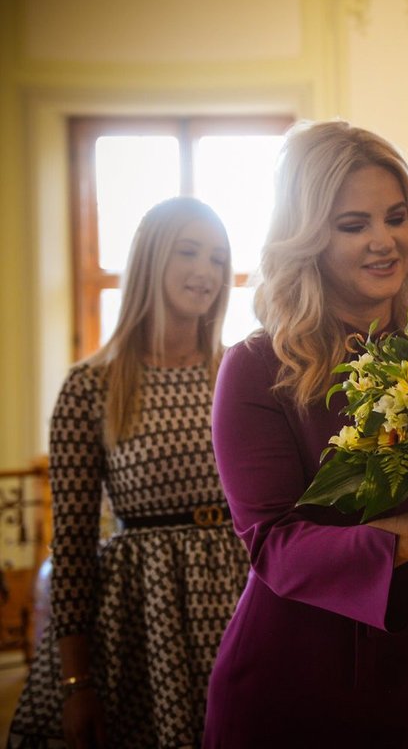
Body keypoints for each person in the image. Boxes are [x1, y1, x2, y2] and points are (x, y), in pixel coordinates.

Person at [202, 119, 408, 747]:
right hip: (292, 676)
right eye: (352, 225)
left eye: (396, 216)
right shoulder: (254, 367)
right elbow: (273, 544)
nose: (384, 241)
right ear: (306, 240)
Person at [8, 197, 248, 748]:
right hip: (143, 615)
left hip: (241, 598)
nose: (205, 272)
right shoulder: (91, 387)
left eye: (217, 258)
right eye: (188, 252)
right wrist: (75, 680)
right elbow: (69, 545)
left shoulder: (238, 372)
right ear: (149, 261)